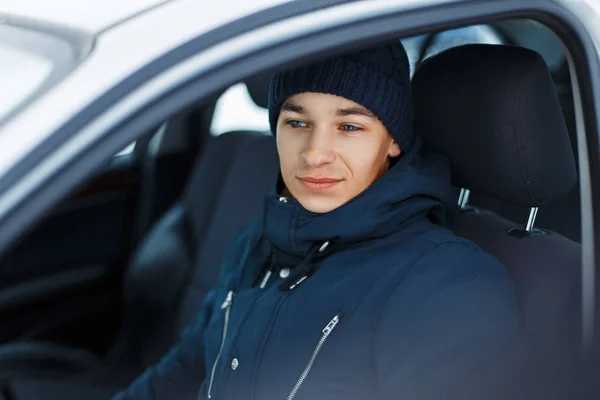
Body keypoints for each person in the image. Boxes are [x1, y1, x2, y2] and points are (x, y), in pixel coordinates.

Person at [114, 40, 520, 400]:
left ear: (394, 140)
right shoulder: (257, 242)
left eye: (348, 126)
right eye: (297, 122)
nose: (314, 152)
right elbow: (182, 372)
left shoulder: (447, 285)